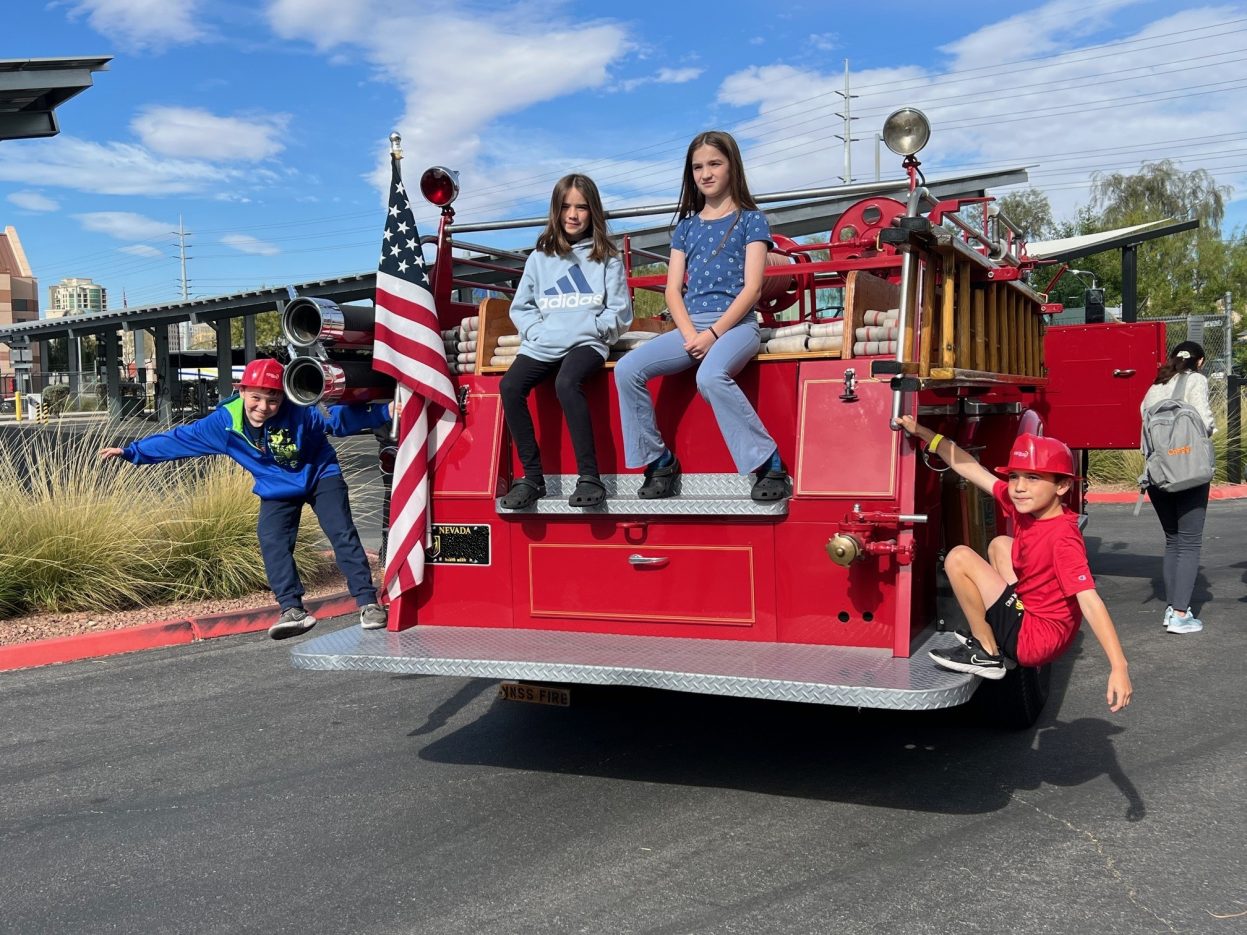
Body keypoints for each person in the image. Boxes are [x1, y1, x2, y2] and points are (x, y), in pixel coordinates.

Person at [99, 358, 393, 640]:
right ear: (241, 391)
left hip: (320, 474)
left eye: (273, 400)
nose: (263, 407)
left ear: (284, 396)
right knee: (271, 539)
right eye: (256, 398)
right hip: (277, 486)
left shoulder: (301, 409)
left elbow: (338, 418)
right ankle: (292, 610)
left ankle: (368, 603)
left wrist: (384, 412)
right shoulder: (224, 424)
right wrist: (132, 452)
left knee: (340, 531)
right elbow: (180, 439)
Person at [893, 417, 1133, 713]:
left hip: (1036, 638)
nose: (1019, 487)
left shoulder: (1063, 539)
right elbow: (971, 468)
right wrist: (926, 434)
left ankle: (986, 652)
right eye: (1015, 476)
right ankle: (999, 633)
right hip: (1037, 618)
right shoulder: (1030, 507)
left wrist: (1119, 666)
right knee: (1000, 545)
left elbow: (1090, 601)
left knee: (959, 557)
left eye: (1033, 478)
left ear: (1062, 486)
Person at [613, 130, 790, 502]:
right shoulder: (686, 228)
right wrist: (691, 331)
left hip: (736, 325)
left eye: (714, 164)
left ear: (732, 167)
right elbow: (673, 289)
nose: (706, 173)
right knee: (627, 370)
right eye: (698, 167)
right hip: (691, 325)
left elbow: (752, 290)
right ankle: (658, 460)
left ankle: (768, 462)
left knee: (710, 376)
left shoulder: (751, 221)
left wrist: (712, 334)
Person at [499, 173, 632, 510]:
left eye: (582, 207)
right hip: (543, 343)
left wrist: (597, 329)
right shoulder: (539, 258)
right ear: (556, 211)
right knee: (510, 387)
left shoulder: (606, 257)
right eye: (566, 207)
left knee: (567, 382)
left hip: (587, 343)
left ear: (593, 212)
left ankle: (590, 477)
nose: (573, 215)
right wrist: (536, 333)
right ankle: (531, 478)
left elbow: (619, 310)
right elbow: (522, 307)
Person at [1140, 340, 1215, 634]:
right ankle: (1181, 615)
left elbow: (1143, 425)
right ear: (1200, 361)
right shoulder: (1196, 381)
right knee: (1190, 541)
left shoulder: (1155, 386)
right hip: (1189, 470)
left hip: (1158, 472)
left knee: (1173, 540)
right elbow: (1204, 421)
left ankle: (1173, 606)